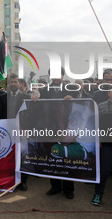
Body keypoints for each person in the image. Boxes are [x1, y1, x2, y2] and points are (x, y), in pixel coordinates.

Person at [40, 67, 77, 199]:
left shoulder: (70, 88)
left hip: (67, 128)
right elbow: (37, 105)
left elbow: (83, 101)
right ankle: (55, 186)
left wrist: (72, 98)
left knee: (67, 158)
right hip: (50, 128)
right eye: (53, 75)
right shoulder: (44, 90)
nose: (56, 77)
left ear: (63, 75)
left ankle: (68, 189)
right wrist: (33, 96)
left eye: (58, 75)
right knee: (53, 158)